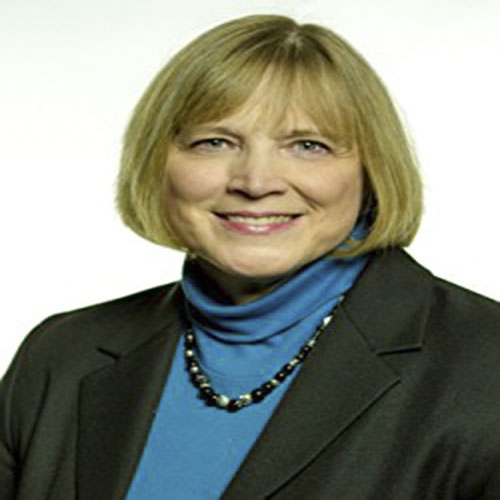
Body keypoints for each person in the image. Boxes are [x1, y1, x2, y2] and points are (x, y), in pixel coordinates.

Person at [1, 14, 499, 500]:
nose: (256, 183)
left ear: (372, 172)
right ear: (156, 162)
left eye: (308, 145)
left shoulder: (484, 364)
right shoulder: (60, 355)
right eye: (215, 142)